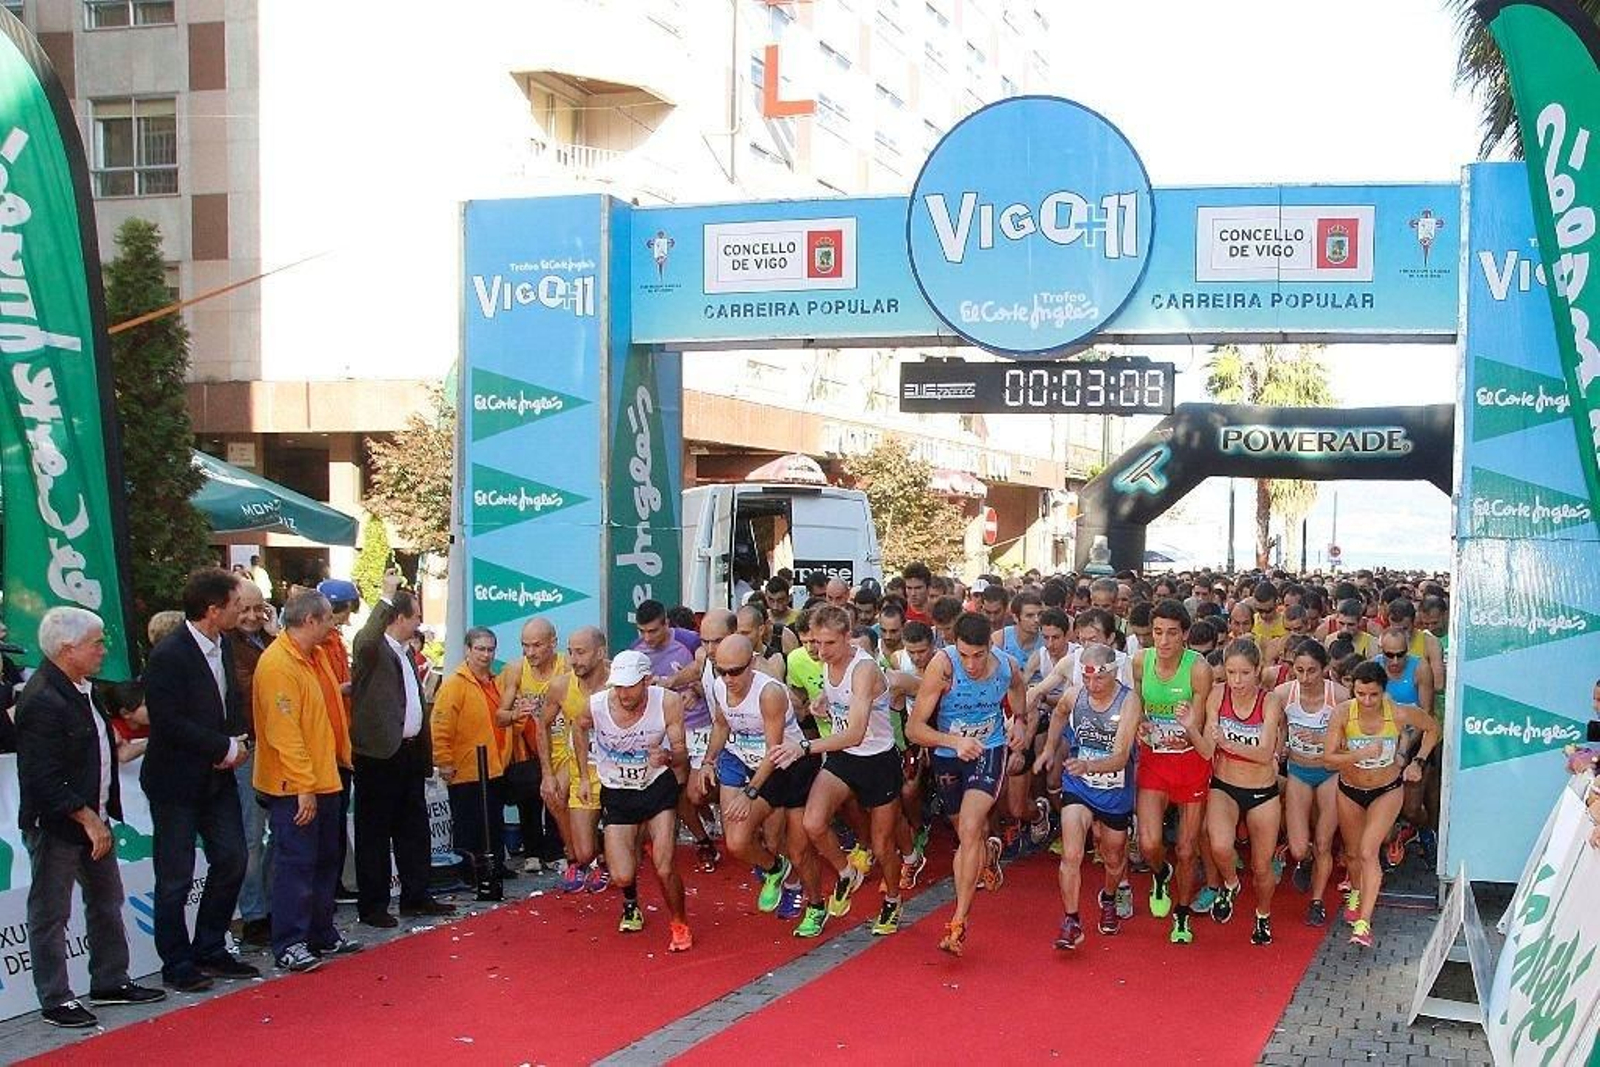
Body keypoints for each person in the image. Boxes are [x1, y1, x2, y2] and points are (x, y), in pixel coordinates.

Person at [16, 608, 166, 1028]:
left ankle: (110, 980)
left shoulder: (84, 689)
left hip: (92, 817)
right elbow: (43, 776)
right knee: (51, 911)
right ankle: (56, 997)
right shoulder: (43, 698)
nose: (104, 650)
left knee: (106, 900)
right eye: (97, 643)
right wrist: (88, 818)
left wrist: (100, 815)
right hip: (60, 824)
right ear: (68, 649)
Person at [141, 567, 255, 991]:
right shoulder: (169, 655)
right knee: (175, 875)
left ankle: (211, 945)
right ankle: (176, 960)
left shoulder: (224, 646)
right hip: (176, 782)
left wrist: (239, 740)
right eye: (236, 606)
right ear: (213, 609)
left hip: (216, 778)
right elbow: (168, 722)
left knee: (232, 858)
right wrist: (221, 748)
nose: (242, 613)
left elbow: (231, 701)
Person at [772, 606, 904, 936]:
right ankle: (846, 873)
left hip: (877, 759)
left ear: (847, 637)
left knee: (882, 844)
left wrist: (804, 746)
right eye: (815, 642)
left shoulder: (864, 669)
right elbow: (838, 703)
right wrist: (822, 703)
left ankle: (892, 898)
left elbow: (857, 731)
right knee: (813, 822)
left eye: (829, 643)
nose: (821, 650)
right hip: (844, 757)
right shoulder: (827, 663)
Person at [253, 591, 363, 972]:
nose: (334, 623)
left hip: (327, 773)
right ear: (311, 620)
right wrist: (303, 786)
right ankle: (290, 942)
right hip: (296, 785)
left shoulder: (314, 656)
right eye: (329, 617)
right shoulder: (278, 665)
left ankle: (320, 931)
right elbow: (284, 733)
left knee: (325, 858)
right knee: (296, 862)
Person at [908, 612, 1030, 956]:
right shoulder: (942, 666)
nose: (971, 665)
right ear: (953, 647)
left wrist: (1019, 721)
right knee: (967, 834)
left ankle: (959, 920)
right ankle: (988, 852)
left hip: (988, 749)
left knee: (972, 826)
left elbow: (1019, 688)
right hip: (950, 753)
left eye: (978, 655)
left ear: (990, 647)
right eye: (964, 655)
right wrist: (953, 741)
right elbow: (914, 729)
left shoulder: (1006, 666)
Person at [698, 635, 826, 934]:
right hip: (761, 768)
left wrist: (750, 792)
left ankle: (817, 905)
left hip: (791, 768)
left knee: (798, 848)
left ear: (752, 664)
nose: (728, 678)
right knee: (737, 841)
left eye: (735, 671)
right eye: (722, 670)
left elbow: (774, 750)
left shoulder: (769, 693)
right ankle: (773, 868)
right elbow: (721, 723)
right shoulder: (720, 686)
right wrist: (708, 761)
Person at [571, 650, 693, 952]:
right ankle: (631, 903)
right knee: (622, 874)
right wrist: (585, 776)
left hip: (656, 787)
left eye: (631, 686)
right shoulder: (597, 704)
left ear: (647, 681)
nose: (624, 694)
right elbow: (578, 726)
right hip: (618, 791)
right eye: (619, 686)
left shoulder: (667, 702)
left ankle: (679, 923)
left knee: (664, 866)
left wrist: (667, 756)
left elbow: (681, 752)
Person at [350, 585, 453, 928]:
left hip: (407, 753)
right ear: (400, 617)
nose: (421, 623)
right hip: (378, 755)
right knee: (375, 832)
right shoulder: (373, 649)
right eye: (417, 616)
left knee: (414, 829)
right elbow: (364, 639)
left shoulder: (407, 652)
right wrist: (384, 596)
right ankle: (374, 905)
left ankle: (416, 895)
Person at [1324, 660, 1440, 948]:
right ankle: (1355, 890)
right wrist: (1357, 754)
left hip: (1386, 790)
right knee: (1351, 854)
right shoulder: (1342, 714)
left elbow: (1433, 729)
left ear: (1382, 691)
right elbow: (1328, 758)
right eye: (1360, 694)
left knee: (1367, 851)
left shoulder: (1398, 713)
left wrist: (1418, 761)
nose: (1366, 701)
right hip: (1350, 789)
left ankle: (1363, 924)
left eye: (1373, 695)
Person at [1037, 643, 1143, 949]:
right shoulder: (1075, 694)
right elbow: (1058, 713)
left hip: (1113, 790)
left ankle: (1109, 899)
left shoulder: (1128, 701)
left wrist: (1089, 764)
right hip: (1079, 785)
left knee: (1113, 855)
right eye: (1086, 678)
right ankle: (1071, 920)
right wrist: (1048, 749)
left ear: (1113, 674)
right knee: (1072, 854)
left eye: (1099, 679)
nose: (1092, 686)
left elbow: (1122, 756)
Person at [1132, 599, 1214, 945]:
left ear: (1184, 635)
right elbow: (1136, 703)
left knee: (1185, 848)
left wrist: (1185, 727)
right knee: (1149, 843)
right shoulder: (1140, 661)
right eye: (1157, 633)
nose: (1163, 641)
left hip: (1191, 762)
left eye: (1171, 634)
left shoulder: (1198, 668)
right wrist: (1139, 725)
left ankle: (1181, 915)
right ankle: (1159, 874)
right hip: (1154, 761)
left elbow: (1200, 721)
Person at [1204, 639, 1285, 946]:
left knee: (1262, 868)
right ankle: (1230, 883)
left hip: (1262, 791)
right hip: (1224, 785)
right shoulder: (1217, 694)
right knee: (1221, 847)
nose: (1237, 681)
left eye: (1244, 674)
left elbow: (1265, 753)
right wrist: (1189, 729)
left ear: (1258, 671)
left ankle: (1263, 915)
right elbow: (1209, 743)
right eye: (1231, 672)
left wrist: (1227, 744)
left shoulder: (1270, 701)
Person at [634, 599, 718, 871]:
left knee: (697, 794)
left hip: (702, 725)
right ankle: (702, 841)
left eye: (653, 631)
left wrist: (693, 690)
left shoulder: (691, 640)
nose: (648, 638)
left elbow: (707, 673)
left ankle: (715, 815)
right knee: (676, 791)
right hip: (668, 732)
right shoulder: (635, 652)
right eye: (642, 632)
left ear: (666, 624)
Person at [1274, 640, 1348, 927]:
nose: (1304, 678)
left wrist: (1327, 741)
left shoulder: (1340, 696)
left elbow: (1355, 737)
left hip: (1329, 772)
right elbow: (1278, 729)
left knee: (1324, 842)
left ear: (1325, 670)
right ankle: (1304, 862)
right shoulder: (1283, 694)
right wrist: (1278, 751)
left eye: (1312, 671)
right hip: (1298, 772)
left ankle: (1316, 902)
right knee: (1297, 847)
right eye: (1299, 670)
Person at [433, 628, 511, 882]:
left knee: (493, 823)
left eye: (490, 649)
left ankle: (495, 867)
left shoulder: (494, 683)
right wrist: (444, 761)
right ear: (467, 650)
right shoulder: (455, 684)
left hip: (494, 766)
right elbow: (441, 725)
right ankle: (469, 873)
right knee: (469, 826)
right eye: (480, 649)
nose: (485, 655)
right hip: (466, 769)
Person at [537, 627, 610, 892]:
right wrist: (547, 773)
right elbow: (541, 725)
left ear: (600, 652)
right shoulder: (561, 686)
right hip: (581, 766)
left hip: (617, 767)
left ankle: (615, 858)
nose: (573, 659)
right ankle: (587, 859)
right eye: (570, 652)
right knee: (583, 851)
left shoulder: (619, 683)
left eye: (580, 652)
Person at [497, 617, 569, 875]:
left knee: (557, 797)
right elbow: (500, 716)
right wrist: (516, 714)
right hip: (531, 748)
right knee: (530, 798)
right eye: (525, 646)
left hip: (564, 747)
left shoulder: (567, 666)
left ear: (553, 643)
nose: (530, 652)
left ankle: (555, 850)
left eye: (536, 646)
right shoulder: (517, 669)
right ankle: (532, 851)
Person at [227, 579, 275, 946]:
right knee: (251, 834)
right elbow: (255, 687)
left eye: (258, 608)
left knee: (279, 833)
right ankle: (254, 913)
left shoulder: (266, 640)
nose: (252, 616)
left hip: (273, 745)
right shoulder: (229, 646)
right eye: (244, 609)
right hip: (249, 746)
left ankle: (271, 904)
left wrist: (274, 637)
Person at [103, 681, 150, 763]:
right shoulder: (114, 728)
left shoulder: (154, 721)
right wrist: (155, 740)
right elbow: (123, 755)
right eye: (145, 704)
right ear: (126, 713)